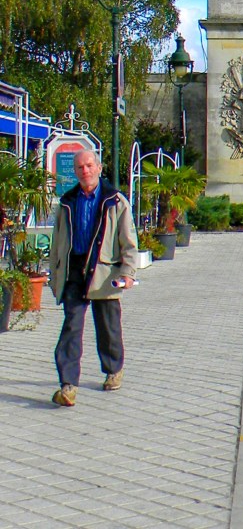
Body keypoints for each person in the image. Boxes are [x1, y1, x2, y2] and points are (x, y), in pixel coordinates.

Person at [48, 150, 139, 407]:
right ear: (75, 172)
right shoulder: (67, 201)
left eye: (89, 165)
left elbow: (128, 240)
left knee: (108, 325)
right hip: (74, 270)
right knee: (71, 326)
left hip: (104, 271)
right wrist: (55, 274)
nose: (85, 171)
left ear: (99, 168)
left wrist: (128, 272)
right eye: (80, 167)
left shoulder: (115, 201)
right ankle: (68, 385)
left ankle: (113, 369)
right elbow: (57, 242)